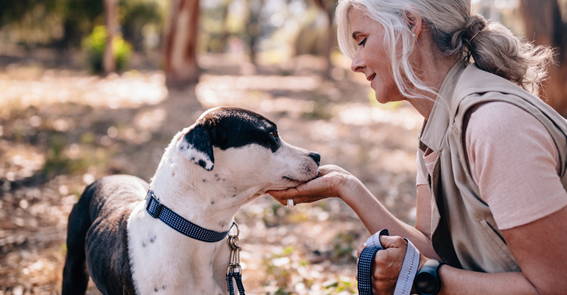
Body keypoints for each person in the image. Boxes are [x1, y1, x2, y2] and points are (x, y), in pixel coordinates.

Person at [268, 0, 567, 294]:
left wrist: (423, 276)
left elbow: (554, 286)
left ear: (411, 24)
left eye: (362, 41)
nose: (355, 64)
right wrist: (347, 188)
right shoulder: (440, 122)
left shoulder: (494, 126)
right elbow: (433, 250)